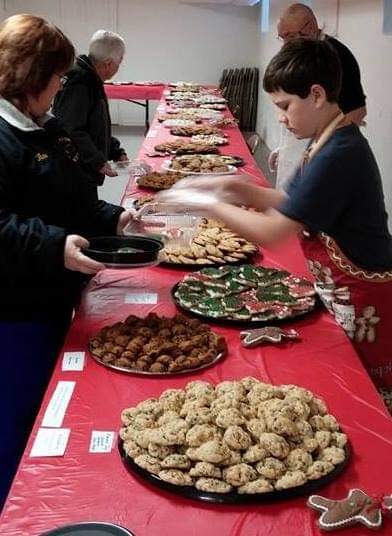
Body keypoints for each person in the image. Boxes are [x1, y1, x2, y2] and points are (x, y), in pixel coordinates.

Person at [155, 38, 392, 391]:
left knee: (363, 391)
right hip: (339, 288)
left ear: (316, 94)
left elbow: (275, 231)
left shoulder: (340, 153)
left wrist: (207, 206)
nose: (280, 118)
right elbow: (286, 198)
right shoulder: (326, 139)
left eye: (285, 106)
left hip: (362, 294)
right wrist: (229, 186)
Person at [0, 14, 132, 508]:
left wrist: (115, 218)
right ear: (31, 76)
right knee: (19, 417)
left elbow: (70, 200)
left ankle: (58, 500)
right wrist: (55, 246)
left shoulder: (44, 126)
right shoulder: (4, 137)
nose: (61, 86)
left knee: (58, 406)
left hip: (53, 293)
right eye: (56, 77)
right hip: (15, 313)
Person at [271, 3, 367, 188]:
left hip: (323, 147)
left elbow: (357, 111)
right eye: (282, 38)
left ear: (310, 28)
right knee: (286, 198)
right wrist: (284, 147)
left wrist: (320, 150)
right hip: (303, 141)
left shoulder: (336, 55)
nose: (286, 44)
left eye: (290, 36)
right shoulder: (301, 52)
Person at [53, 30, 128, 186]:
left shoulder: (90, 76)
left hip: (83, 169)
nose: (119, 66)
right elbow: (72, 129)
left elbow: (95, 125)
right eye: (119, 62)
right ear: (108, 63)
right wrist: (98, 161)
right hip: (75, 173)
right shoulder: (80, 80)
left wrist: (114, 150)